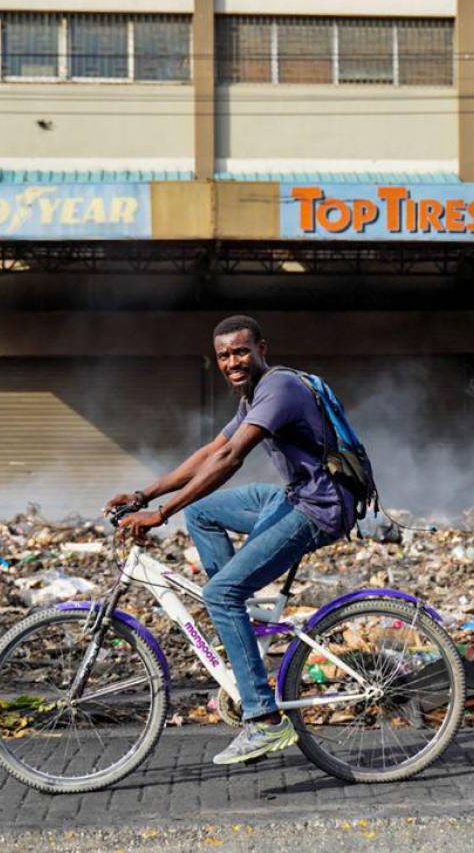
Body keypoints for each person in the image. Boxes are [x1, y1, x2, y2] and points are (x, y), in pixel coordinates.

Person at [106, 314, 355, 766]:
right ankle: (237, 619)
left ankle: (263, 719)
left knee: (220, 592)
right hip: (293, 495)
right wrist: (144, 493)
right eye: (223, 355)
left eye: (241, 351)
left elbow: (229, 457)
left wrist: (160, 513)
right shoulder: (253, 395)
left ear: (263, 349)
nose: (232, 362)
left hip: (319, 506)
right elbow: (207, 452)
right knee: (201, 512)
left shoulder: (279, 389)